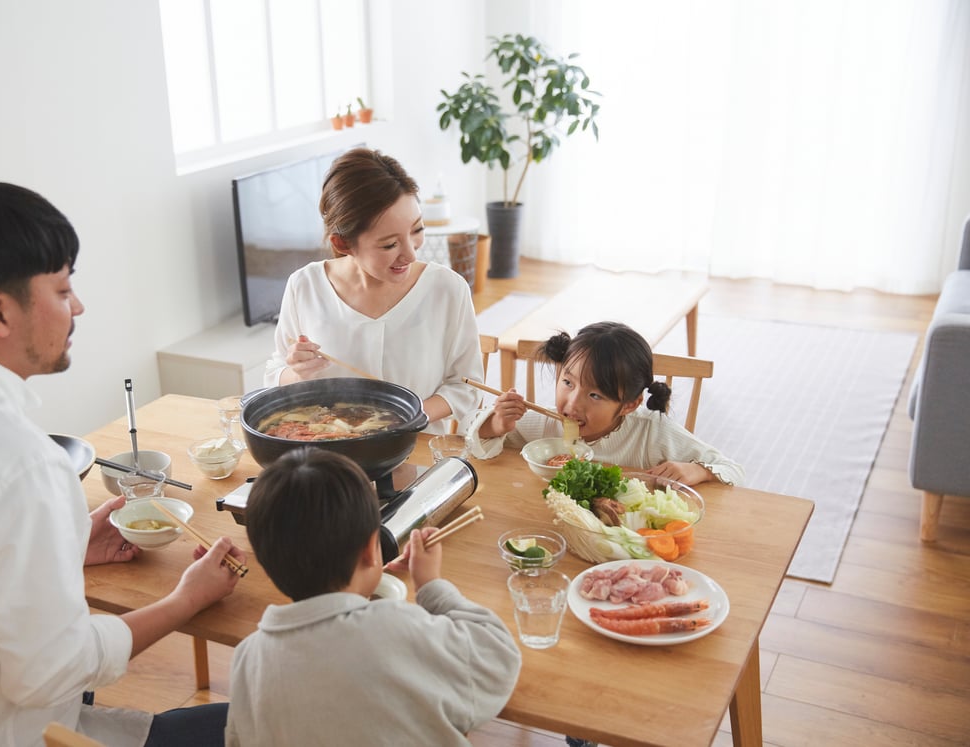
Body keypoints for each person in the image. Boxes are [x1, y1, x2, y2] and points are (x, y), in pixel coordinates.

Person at [0, 182, 246, 747]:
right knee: (269, 716)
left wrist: (66, 549)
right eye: (62, 289)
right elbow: (51, 672)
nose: (78, 305)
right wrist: (185, 600)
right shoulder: (22, 464)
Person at [225, 447, 521, 745]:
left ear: (266, 561)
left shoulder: (247, 659)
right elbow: (498, 659)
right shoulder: (399, 627)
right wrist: (430, 584)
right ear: (371, 549)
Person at [264, 147, 483, 434]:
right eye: (390, 245)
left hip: (414, 455)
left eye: (417, 230)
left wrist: (405, 420)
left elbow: (466, 387)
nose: (411, 254)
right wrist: (297, 372)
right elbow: (274, 373)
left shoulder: (447, 290)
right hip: (329, 456)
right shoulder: (305, 286)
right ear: (343, 244)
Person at [466, 321, 744, 486]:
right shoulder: (542, 421)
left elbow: (733, 471)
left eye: (595, 395)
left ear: (629, 405)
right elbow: (475, 445)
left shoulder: (651, 433)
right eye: (568, 383)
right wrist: (496, 424)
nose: (572, 403)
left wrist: (696, 470)